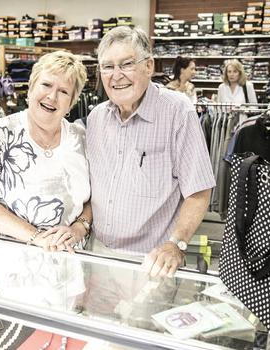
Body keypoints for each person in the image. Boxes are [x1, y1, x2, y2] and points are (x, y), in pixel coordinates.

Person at [86, 26, 215, 278]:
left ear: (149, 66)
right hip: (96, 255)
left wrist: (176, 244)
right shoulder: (96, 118)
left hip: (151, 263)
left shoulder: (177, 112)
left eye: (126, 64)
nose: (116, 75)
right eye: (108, 67)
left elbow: (198, 190)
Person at [0, 51, 91, 252]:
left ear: (71, 103)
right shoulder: (3, 132)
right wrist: (37, 237)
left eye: (63, 91)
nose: (52, 96)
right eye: (46, 85)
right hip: (15, 263)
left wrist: (79, 227)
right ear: (31, 88)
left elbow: (94, 199)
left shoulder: (81, 138)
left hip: (73, 262)